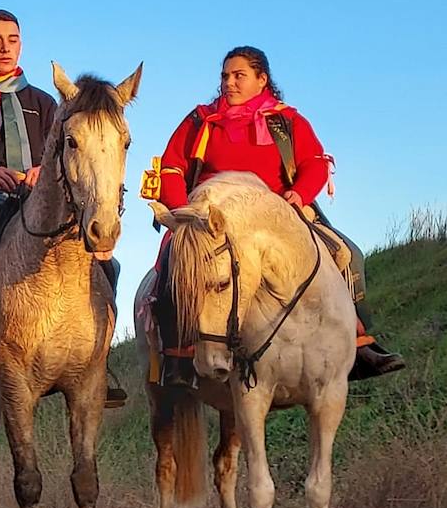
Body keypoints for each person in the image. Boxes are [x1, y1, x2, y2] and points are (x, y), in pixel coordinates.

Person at [149, 45, 404, 385]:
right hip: (211, 220)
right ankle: (178, 356)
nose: (229, 83)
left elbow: (314, 161)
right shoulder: (199, 120)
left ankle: (357, 342)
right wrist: (183, 213)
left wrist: (298, 194)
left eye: (239, 76)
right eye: (225, 76)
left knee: (348, 255)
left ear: (261, 79)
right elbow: (171, 166)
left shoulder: (287, 121)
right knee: (170, 262)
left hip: (279, 215)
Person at [0, 9, 126, 406]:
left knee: (109, 265)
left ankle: (100, 360)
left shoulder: (45, 101)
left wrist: (40, 172)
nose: (4, 47)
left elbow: (64, 153)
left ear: (21, 44)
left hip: (38, 200)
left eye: (12, 39)